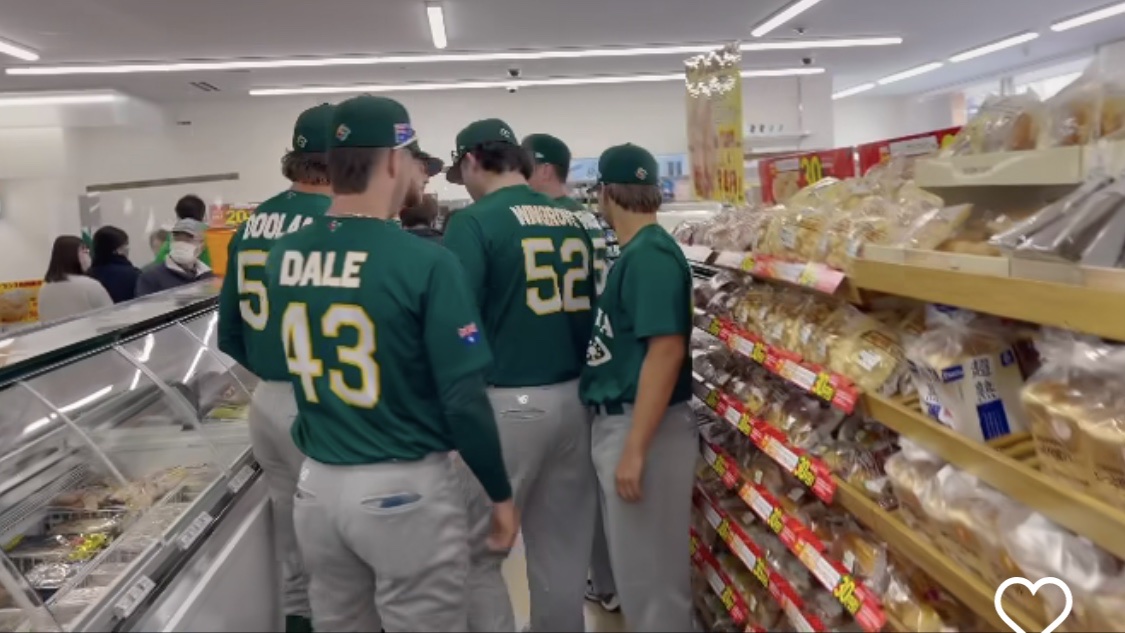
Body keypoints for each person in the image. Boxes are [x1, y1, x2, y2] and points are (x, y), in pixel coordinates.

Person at [262, 95, 517, 633]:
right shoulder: (426, 261)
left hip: (317, 486)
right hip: (402, 486)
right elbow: (463, 398)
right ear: (396, 160)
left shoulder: (284, 256)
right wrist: (499, 491)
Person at [443, 119, 597, 633]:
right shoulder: (573, 219)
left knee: (479, 553)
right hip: (576, 398)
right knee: (563, 552)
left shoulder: (473, 223)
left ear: (471, 161)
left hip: (507, 404)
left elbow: (458, 323)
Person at [216, 103, 336, 633]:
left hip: (267, 399)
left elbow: (228, 332)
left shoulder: (252, 223)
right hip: (325, 399)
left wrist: (271, 372)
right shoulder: (336, 222)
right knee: (343, 552)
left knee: (294, 548)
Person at [580, 143, 697, 632]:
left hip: (646, 426)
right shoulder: (642, 252)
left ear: (606, 193)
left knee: (652, 584)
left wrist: (635, 448)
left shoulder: (649, 256)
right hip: (634, 423)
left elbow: (666, 351)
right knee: (639, 577)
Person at [521, 132, 619, 612]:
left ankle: (591, 585)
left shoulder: (533, 221)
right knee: (592, 491)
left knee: (563, 507)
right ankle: (608, 583)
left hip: (551, 372)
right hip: (595, 362)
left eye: (525, 167)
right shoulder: (588, 219)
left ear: (544, 169)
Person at [37, 235, 112, 322]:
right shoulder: (90, 285)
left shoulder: (45, 288)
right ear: (71, 255)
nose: (88, 255)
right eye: (84, 251)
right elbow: (111, 315)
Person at [135, 218, 214, 296]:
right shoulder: (151, 278)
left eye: (188, 239)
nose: (181, 244)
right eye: (177, 238)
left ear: (201, 247)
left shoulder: (208, 276)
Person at [154, 194, 213, 266]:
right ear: (203, 215)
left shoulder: (173, 236)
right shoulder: (213, 234)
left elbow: (159, 262)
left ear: (178, 216)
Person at [87, 225, 141, 303]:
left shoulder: (88, 276)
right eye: (126, 244)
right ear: (117, 249)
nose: (128, 248)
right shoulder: (133, 274)